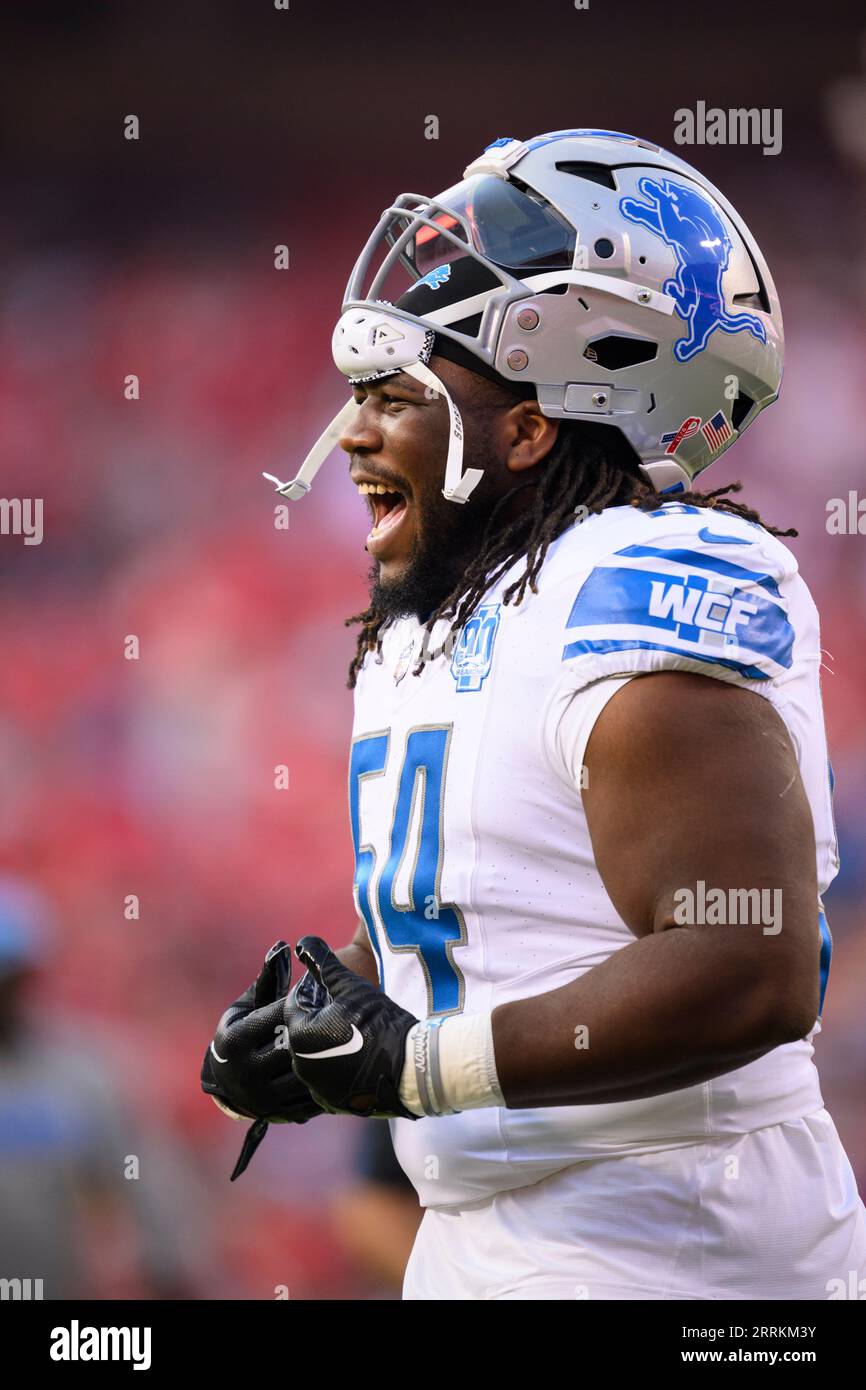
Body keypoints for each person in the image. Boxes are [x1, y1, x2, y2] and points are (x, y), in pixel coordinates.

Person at [203, 129, 866, 1299]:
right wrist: (325, 1025)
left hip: (672, 1244)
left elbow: (747, 958)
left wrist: (422, 1064)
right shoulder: (433, 616)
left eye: (399, 394)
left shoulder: (639, 580)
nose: (351, 433)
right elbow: (500, 913)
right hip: (483, 1234)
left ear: (526, 425)